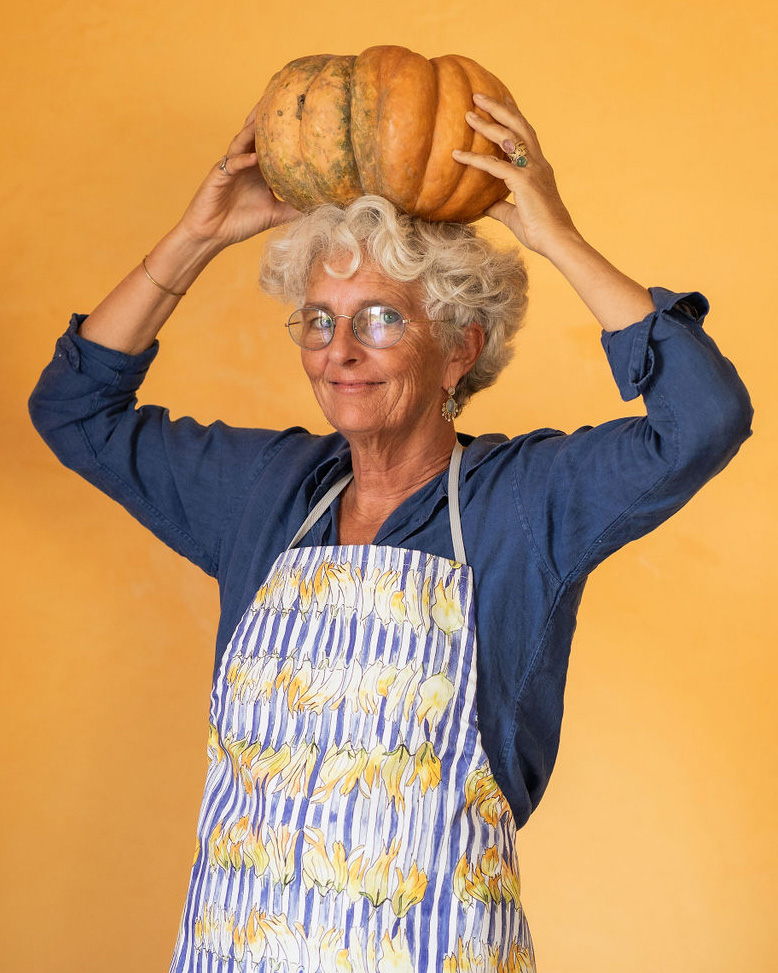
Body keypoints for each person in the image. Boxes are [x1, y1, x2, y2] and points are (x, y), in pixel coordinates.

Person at [29, 93, 751, 972]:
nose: (340, 351)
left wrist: (557, 237)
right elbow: (73, 409)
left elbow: (704, 418)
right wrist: (198, 237)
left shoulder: (521, 503)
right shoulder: (264, 492)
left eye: (379, 318)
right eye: (321, 320)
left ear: (459, 347)